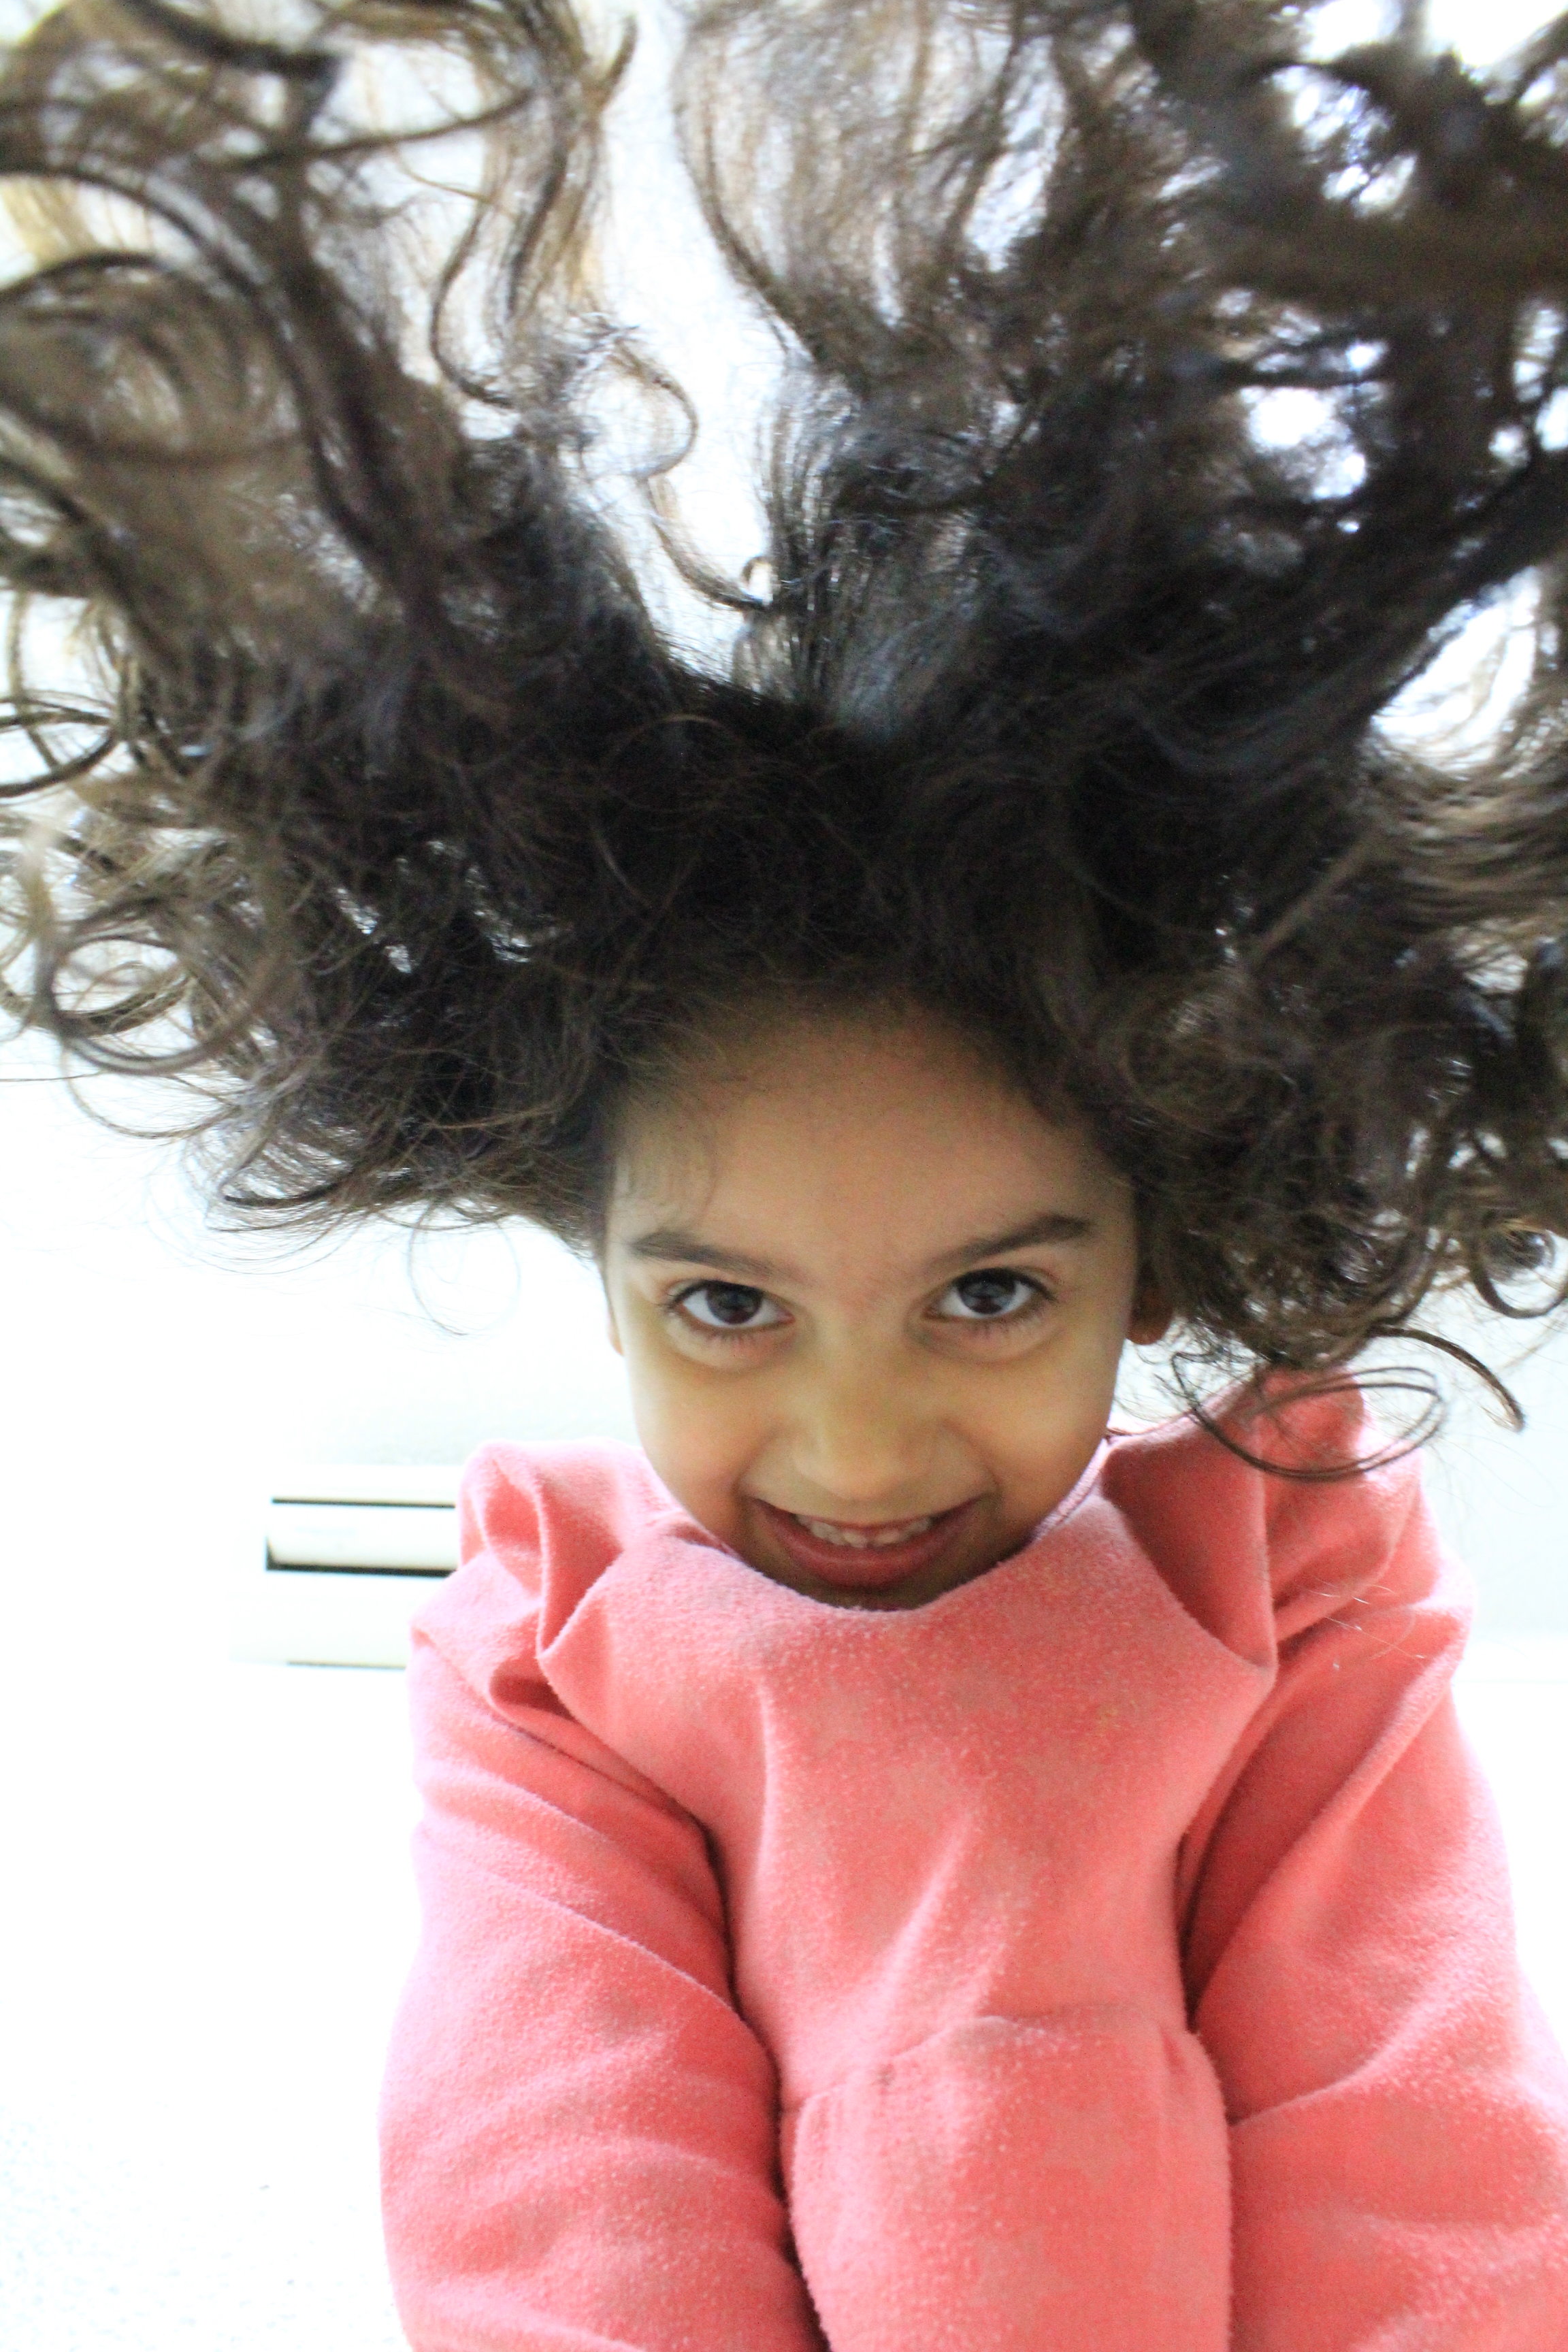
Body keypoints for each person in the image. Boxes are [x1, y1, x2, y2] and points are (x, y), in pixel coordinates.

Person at [1, 0, 1568, 2342]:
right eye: (727, 1308)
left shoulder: (1287, 1583)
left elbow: (1412, 2141)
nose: (853, 1451)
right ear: (594, 1255)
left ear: (1155, 1259)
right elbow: (559, 2172)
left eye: (991, 1296)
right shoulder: (558, 1655)